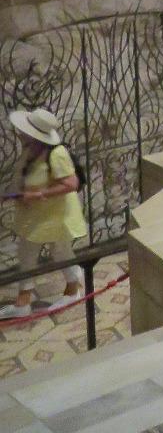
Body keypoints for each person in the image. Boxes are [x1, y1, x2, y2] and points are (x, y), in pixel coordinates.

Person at [3, 109, 87, 319]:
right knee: (28, 254)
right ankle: (24, 300)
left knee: (59, 252)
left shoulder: (56, 154)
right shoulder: (32, 150)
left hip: (56, 215)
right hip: (37, 216)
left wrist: (39, 194)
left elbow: (71, 183)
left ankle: (73, 287)